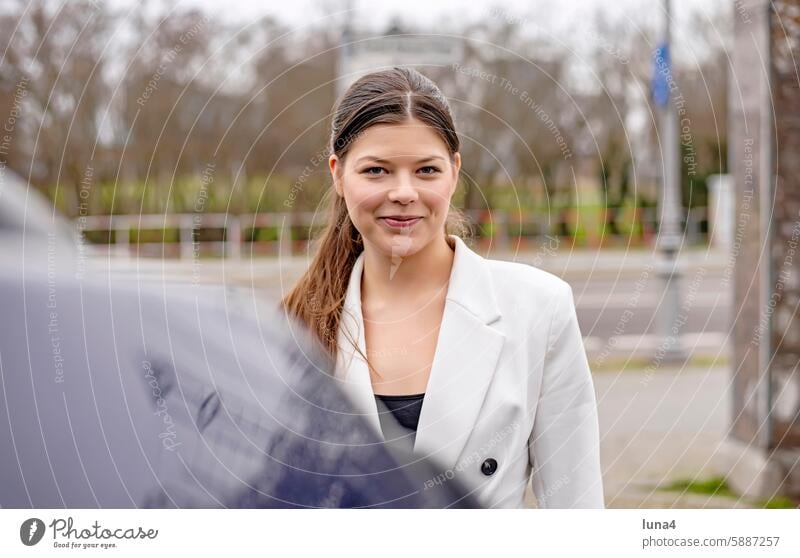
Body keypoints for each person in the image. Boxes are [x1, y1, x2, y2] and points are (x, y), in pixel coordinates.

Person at [282, 67, 604, 508]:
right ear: (338, 175)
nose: (403, 192)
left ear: (454, 171)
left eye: (426, 170)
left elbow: (577, 513)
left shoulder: (539, 310)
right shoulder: (293, 327)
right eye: (376, 170)